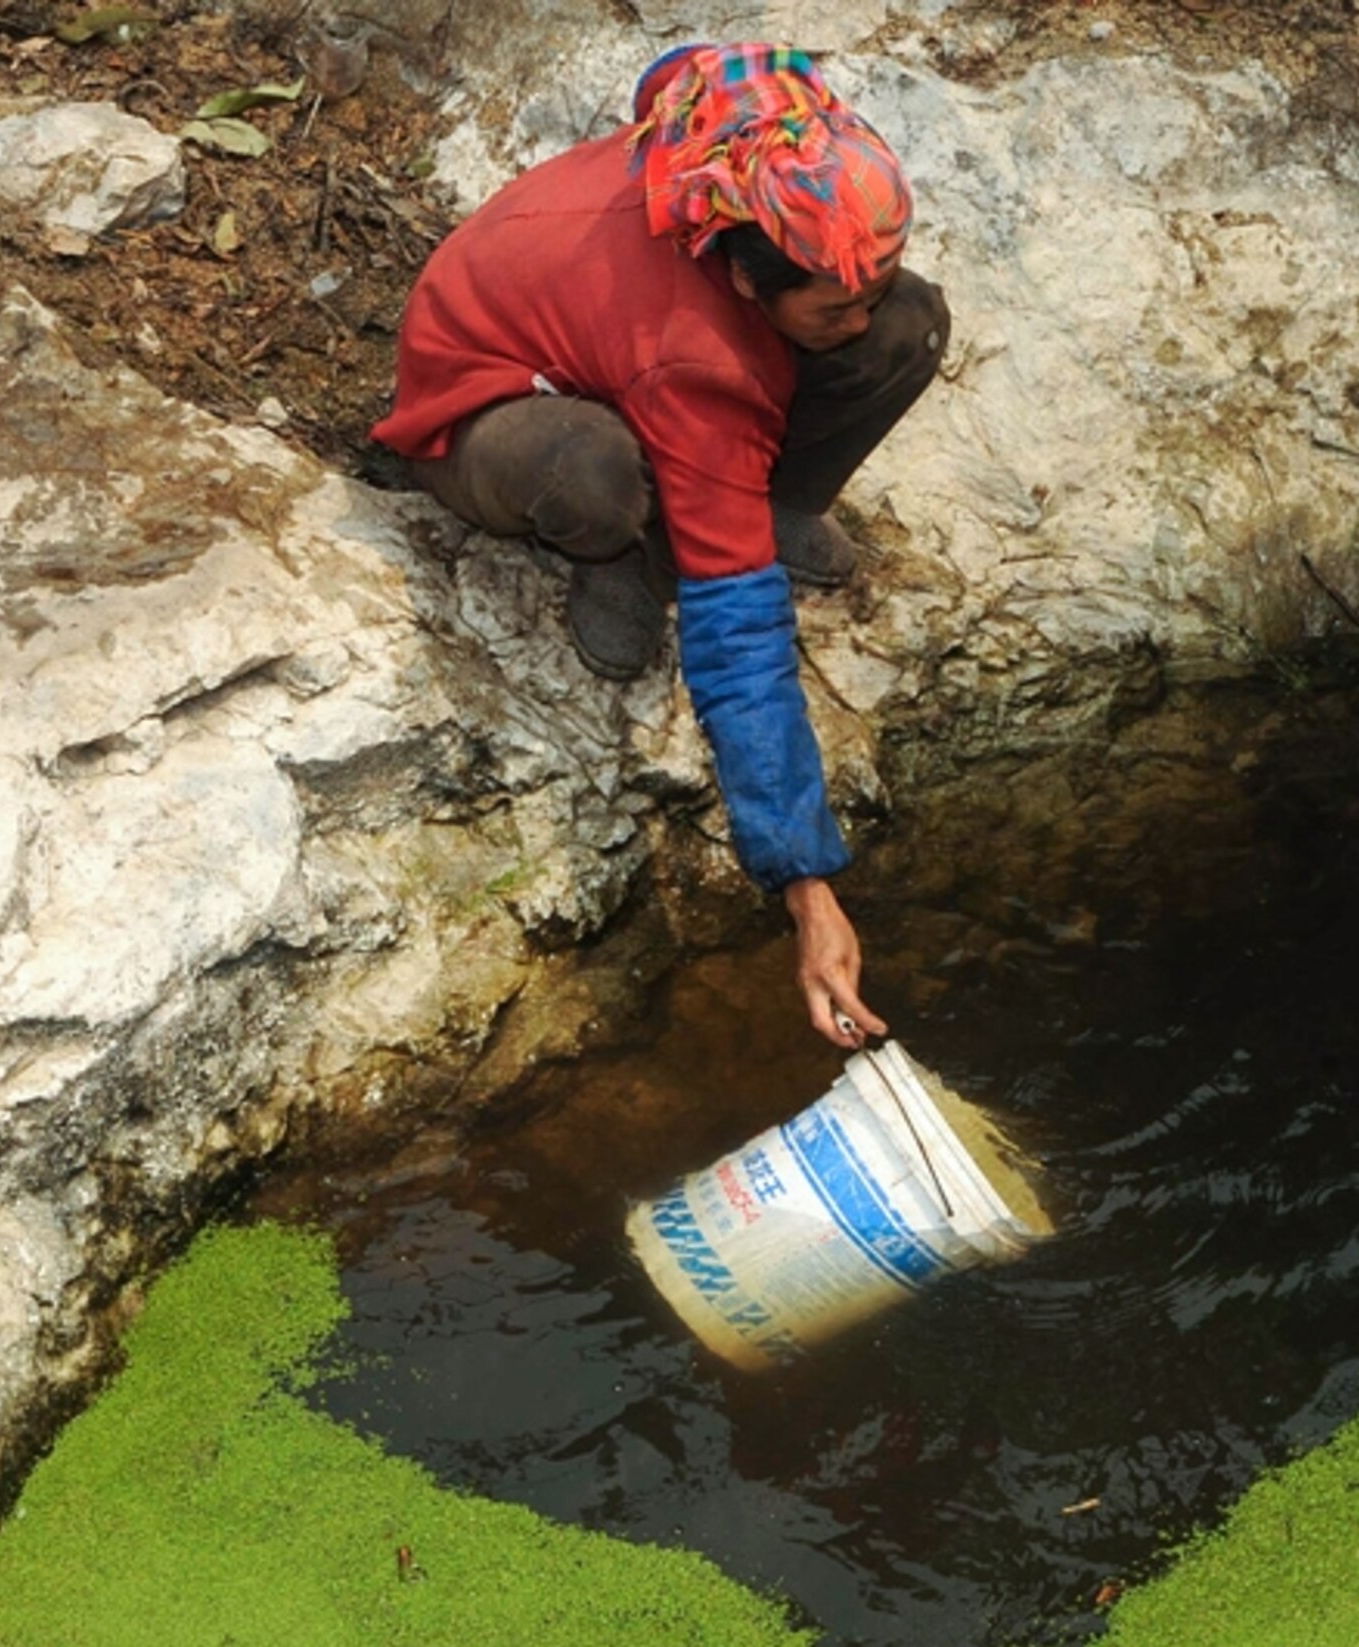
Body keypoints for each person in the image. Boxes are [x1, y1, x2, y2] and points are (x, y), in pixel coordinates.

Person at [371, 42, 947, 1049]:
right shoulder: (692, 348)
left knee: (914, 326)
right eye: (828, 306)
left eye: (866, 285)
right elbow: (739, 643)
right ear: (743, 276)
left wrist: (864, 308)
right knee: (593, 481)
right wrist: (807, 889)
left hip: (628, 357)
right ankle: (620, 553)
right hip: (493, 415)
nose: (852, 321)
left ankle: (759, 497)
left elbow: (693, 60)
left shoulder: (737, 158)